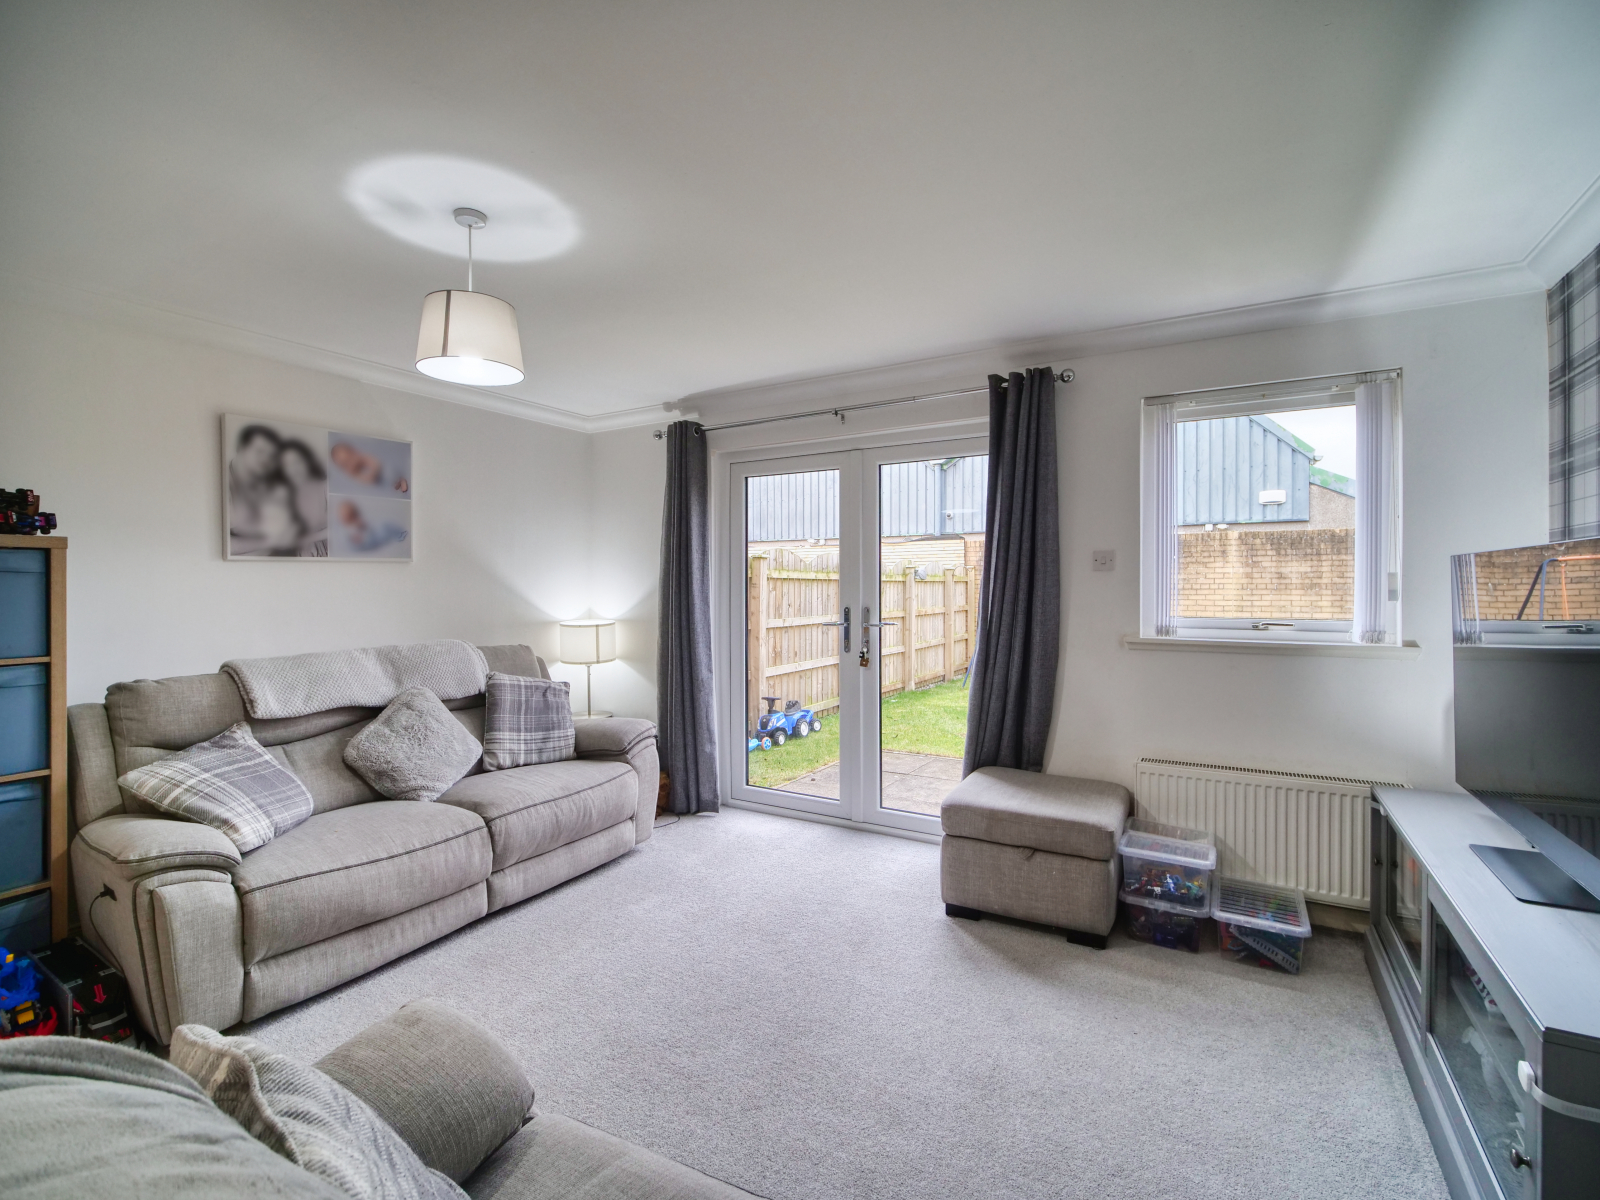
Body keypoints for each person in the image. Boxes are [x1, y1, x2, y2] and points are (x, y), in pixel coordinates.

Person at [228, 425, 301, 557]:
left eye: (271, 455)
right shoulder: (218, 485)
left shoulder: (272, 482)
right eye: (259, 451)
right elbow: (225, 546)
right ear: (240, 448)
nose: (265, 460)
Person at [278, 439, 329, 557]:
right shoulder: (282, 496)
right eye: (286, 464)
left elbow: (341, 527)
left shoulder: (325, 487)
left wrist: (306, 539)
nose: (293, 468)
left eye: (297, 461)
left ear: (308, 462)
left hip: (330, 553)